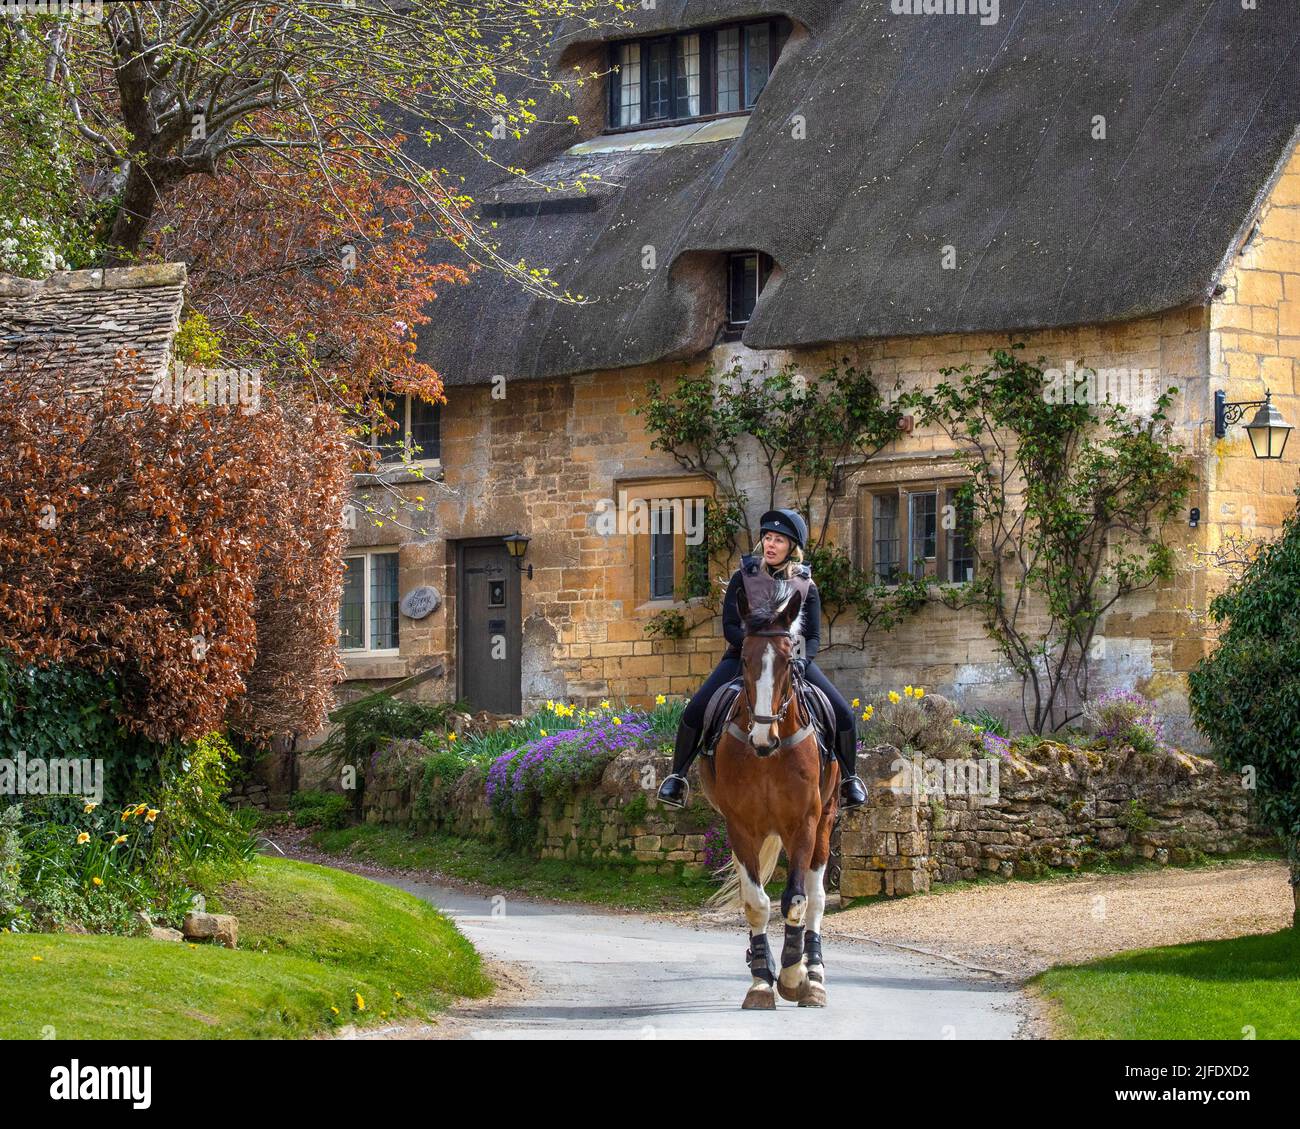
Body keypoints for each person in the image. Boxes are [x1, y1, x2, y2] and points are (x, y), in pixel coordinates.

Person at [656, 508, 868, 812]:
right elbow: (730, 625)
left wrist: (798, 662)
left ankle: (850, 780)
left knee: (844, 714)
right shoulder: (742, 577)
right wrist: (758, 651)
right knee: (696, 709)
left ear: (791, 547)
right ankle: (676, 778)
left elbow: (813, 636)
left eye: (778, 540)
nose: (770, 544)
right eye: (767, 538)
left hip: (792, 663)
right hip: (743, 659)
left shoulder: (807, 586)